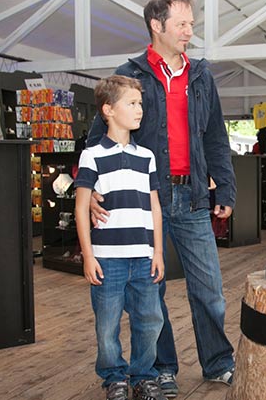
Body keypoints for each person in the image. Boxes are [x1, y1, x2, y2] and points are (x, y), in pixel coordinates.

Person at [87, 0, 237, 398]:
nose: (190, 32)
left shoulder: (201, 77)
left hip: (192, 199)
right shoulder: (128, 75)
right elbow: (97, 136)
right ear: (157, 25)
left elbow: (215, 136)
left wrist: (224, 185)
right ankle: (162, 367)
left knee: (209, 290)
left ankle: (218, 363)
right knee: (151, 292)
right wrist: (90, 190)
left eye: (191, 24)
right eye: (182, 24)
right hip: (144, 201)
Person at [75, 75, 167, 400]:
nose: (139, 109)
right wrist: (88, 256)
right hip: (107, 260)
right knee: (106, 327)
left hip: (143, 258)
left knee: (150, 320)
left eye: (140, 103)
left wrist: (158, 252)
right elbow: (81, 207)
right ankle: (114, 377)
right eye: (131, 103)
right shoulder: (92, 156)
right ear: (108, 110)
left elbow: (154, 207)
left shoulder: (147, 157)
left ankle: (144, 376)